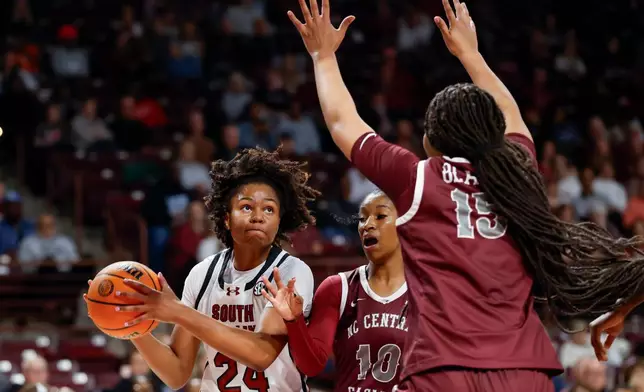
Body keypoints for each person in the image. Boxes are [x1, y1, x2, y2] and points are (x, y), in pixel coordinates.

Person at [286, 0, 644, 390]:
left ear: (432, 138)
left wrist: (322, 56)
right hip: (524, 371)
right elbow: (513, 115)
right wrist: (471, 55)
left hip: (444, 370)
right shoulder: (518, 173)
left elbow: (343, 122)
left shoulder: (417, 179)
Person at [86, 148, 320, 391]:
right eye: (247, 207)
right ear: (227, 219)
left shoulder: (292, 271)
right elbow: (177, 374)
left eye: (269, 209)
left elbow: (261, 355)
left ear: (279, 221)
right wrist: (133, 323)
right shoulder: (202, 273)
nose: (258, 217)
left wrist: (177, 312)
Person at [265, 190, 407, 391]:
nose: (367, 225)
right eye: (362, 219)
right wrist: (294, 321)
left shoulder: (427, 292)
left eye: (380, 216)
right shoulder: (338, 288)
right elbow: (311, 366)